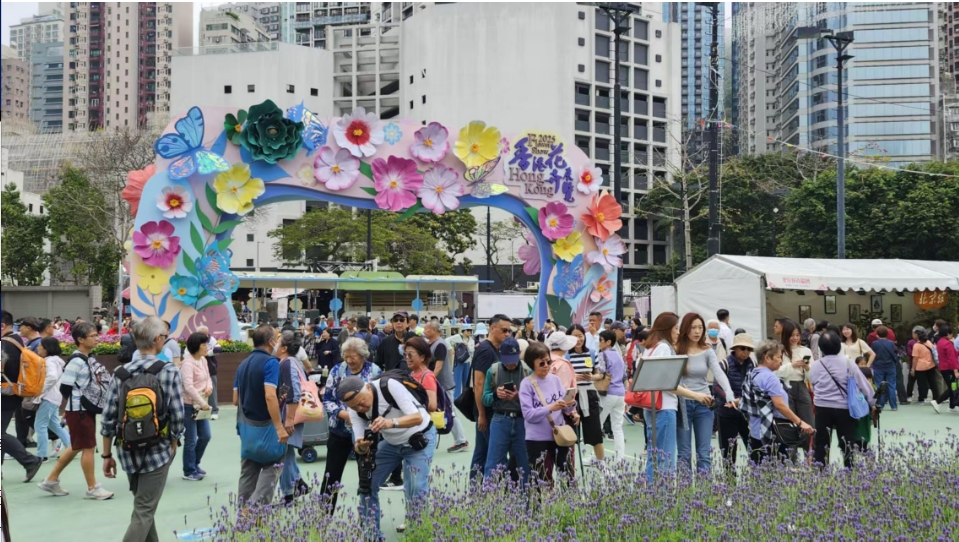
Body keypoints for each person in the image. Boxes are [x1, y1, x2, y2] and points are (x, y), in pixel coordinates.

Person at [98, 316, 184, 540]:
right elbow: (176, 414)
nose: (165, 340)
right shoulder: (168, 371)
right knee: (144, 510)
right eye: (164, 337)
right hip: (158, 450)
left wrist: (106, 454)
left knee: (144, 505)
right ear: (157, 339)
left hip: (127, 449)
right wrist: (174, 441)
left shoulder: (120, 373)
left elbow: (107, 418)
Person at [339, 372, 436, 537]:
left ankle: (418, 534)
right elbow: (359, 446)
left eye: (362, 403)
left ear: (368, 388)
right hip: (391, 444)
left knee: (416, 487)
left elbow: (417, 417)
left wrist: (391, 423)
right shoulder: (355, 409)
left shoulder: (389, 385)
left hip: (419, 437)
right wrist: (361, 446)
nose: (360, 409)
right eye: (355, 407)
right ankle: (371, 535)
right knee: (366, 484)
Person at [39, 321, 114, 500]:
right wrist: (76, 403)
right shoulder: (77, 361)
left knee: (77, 446)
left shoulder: (85, 358)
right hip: (79, 410)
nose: (97, 338)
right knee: (88, 447)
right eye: (93, 336)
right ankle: (92, 488)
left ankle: (51, 480)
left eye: (97, 335)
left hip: (81, 410)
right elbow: (65, 387)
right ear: (80, 339)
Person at [640, 312, 714, 481]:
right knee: (665, 459)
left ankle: (652, 495)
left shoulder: (651, 348)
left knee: (655, 457)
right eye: (675, 328)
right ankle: (660, 498)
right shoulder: (665, 348)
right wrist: (695, 395)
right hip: (664, 408)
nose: (678, 332)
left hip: (651, 407)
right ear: (667, 329)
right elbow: (667, 384)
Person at [320, 337, 381, 514]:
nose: (349, 360)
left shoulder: (374, 370)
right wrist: (344, 414)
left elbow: (378, 399)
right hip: (340, 430)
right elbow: (328, 400)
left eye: (353, 356)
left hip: (366, 433)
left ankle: (368, 517)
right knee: (331, 475)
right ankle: (324, 516)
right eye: (346, 356)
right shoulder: (337, 370)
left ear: (363, 356)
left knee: (366, 476)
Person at [234, 325, 288, 508]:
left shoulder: (243, 363)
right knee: (273, 465)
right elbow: (270, 395)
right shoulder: (271, 363)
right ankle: (255, 510)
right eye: (277, 338)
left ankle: (243, 511)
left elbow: (236, 399)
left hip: (247, 427)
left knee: (248, 470)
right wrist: (279, 427)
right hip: (267, 427)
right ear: (271, 341)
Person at [676, 313, 736, 473]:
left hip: (705, 404)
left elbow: (719, 372)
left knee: (704, 453)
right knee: (684, 453)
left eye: (700, 328)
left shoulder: (707, 350)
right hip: (682, 405)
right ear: (685, 329)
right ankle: (685, 492)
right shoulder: (676, 349)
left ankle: (704, 492)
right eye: (693, 327)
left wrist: (729, 394)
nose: (697, 331)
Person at [809, 330, 876, 468]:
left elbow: (813, 382)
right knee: (847, 441)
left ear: (821, 348)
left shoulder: (816, 365)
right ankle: (849, 469)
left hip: (822, 407)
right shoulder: (848, 363)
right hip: (844, 408)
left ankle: (820, 471)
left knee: (821, 442)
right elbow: (863, 384)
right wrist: (873, 402)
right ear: (839, 346)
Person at [741, 341, 814, 464]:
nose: (781, 361)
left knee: (759, 469)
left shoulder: (752, 374)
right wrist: (800, 422)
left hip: (756, 430)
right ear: (767, 358)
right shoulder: (771, 378)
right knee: (777, 471)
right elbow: (779, 405)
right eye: (779, 357)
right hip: (773, 432)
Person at [520, 341, 578, 484]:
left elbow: (564, 408)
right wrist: (550, 408)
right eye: (541, 363)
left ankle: (569, 505)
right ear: (531, 363)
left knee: (567, 478)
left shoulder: (556, 380)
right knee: (539, 480)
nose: (546, 366)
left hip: (560, 436)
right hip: (537, 439)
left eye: (548, 362)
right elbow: (528, 415)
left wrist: (571, 406)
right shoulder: (526, 384)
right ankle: (537, 506)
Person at [482, 337, 532, 484]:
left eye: (513, 359)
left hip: (522, 420)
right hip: (499, 419)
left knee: (525, 464)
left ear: (520, 353)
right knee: (493, 464)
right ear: (500, 354)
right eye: (507, 360)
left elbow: (534, 401)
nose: (510, 364)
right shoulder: (493, 370)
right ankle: (490, 501)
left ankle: (527, 502)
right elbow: (484, 398)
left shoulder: (527, 371)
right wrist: (496, 396)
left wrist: (518, 397)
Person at [1, 311, 43, 482]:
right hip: (14, 392)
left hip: (6, 394)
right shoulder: (17, 341)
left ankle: (30, 461)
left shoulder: (4, 344)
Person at [470, 314, 510, 480]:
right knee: (495, 452)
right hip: (486, 409)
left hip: (488, 407)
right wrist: (482, 414)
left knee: (482, 450)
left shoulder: (495, 349)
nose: (507, 334)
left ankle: (475, 488)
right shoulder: (486, 351)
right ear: (492, 329)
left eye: (509, 331)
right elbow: (478, 384)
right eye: (504, 330)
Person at [424, 322, 469, 453]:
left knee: (450, 412)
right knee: (446, 412)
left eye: (427, 329)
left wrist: (428, 380)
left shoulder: (440, 345)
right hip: (438, 384)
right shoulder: (431, 344)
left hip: (443, 384)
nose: (424, 331)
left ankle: (462, 441)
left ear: (434, 330)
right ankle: (460, 440)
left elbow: (438, 367)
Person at [276, 330, 310, 504]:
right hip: (293, 412)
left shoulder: (286, 363)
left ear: (284, 348)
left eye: (278, 342)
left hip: (289, 414)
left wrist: (288, 418)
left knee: (284, 452)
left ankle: (290, 490)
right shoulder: (293, 362)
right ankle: (297, 484)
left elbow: (293, 390)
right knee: (287, 452)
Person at [567, 324, 605, 466]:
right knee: (570, 432)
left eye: (580, 335)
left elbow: (599, 374)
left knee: (595, 431)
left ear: (585, 336)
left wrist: (592, 377)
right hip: (572, 396)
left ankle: (601, 463)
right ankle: (569, 467)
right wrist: (574, 377)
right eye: (574, 336)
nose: (578, 339)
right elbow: (561, 377)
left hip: (589, 394)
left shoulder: (592, 353)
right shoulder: (566, 355)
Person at [775, 319, 815, 456]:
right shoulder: (779, 350)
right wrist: (791, 365)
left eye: (798, 335)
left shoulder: (806, 350)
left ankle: (810, 457)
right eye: (792, 335)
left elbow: (813, 376)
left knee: (808, 421)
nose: (795, 338)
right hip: (784, 387)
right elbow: (775, 372)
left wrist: (807, 368)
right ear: (786, 335)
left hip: (802, 386)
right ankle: (790, 460)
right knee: (789, 423)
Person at [716, 333, 756, 470]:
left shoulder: (753, 365)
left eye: (748, 349)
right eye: (742, 348)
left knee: (754, 448)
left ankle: (757, 480)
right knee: (728, 451)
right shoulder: (724, 364)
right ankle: (729, 483)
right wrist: (729, 399)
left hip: (747, 413)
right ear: (735, 348)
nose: (746, 352)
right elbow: (716, 386)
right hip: (727, 412)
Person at [179, 332, 213, 481]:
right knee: (191, 439)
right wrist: (203, 403)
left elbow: (208, 378)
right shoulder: (187, 363)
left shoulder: (203, 360)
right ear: (196, 346)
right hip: (189, 405)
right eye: (204, 344)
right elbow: (188, 386)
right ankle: (189, 470)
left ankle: (195, 463)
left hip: (201, 405)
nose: (207, 347)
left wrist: (209, 387)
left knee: (205, 436)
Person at [33, 337, 71, 463]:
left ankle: (41, 455)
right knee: (54, 424)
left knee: (40, 425)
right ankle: (71, 446)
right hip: (55, 397)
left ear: (46, 349)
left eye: (40, 346)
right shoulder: (57, 361)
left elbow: (52, 377)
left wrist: (40, 390)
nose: (38, 348)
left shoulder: (49, 361)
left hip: (48, 397)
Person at [596, 330, 628, 459]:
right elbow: (624, 374)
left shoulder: (602, 355)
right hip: (620, 394)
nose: (599, 343)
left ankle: (597, 457)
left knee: (597, 427)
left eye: (601, 340)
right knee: (617, 428)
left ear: (608, 342)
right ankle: (620, 458)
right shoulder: (618, 355)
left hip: (607, 393)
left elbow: (601, 372)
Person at [868, 326, 900, 411]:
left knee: (879, 386)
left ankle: (880, 405)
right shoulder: (891, 343)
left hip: (878, 366)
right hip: (890, 366)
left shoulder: (874, 343)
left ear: (877, 334)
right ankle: (893, 406)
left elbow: (873, 354)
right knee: (891, 385)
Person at [405, 337, 439, 412]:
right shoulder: (412, 373)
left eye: (410, 354)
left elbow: (432, 405)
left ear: (422, 357)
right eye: (406, 354)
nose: (407, 357)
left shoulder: (427, 376)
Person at [932, 324, 959, 413]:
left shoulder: (940, 342)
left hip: (943, 367)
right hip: (949, 368)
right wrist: (956, 370)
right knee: (952, 387)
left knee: (952, 386)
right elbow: (952, 357)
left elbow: (952, 354)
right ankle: (937, 402)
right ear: (948, 334)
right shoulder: (948, 343)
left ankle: (952, 406)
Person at [909, 328, 938, 407]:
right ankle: (936, 398)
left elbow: (915, 359)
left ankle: (922, 398)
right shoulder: (928, 342)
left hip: (920, 366)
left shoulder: (916, 345)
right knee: (932, 382)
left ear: (917, 335)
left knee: (922, 383)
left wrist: (913, 369)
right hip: (931, 365)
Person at [447, 324, 474, 402]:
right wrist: (451, 348)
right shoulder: (458, 337)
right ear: (463, 331)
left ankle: (465, 397)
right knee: (457, 380)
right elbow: (447, 340)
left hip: (467, 361)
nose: (469, 332)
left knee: (466, 381)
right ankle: (456, 398)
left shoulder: (471, 339)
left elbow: (472, 350)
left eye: (470, 330)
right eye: (467, 330)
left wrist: (467, 345)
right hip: (459, 361)